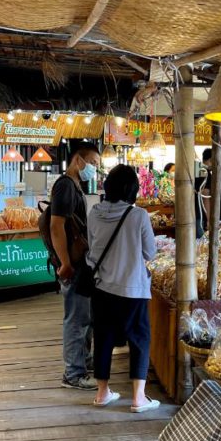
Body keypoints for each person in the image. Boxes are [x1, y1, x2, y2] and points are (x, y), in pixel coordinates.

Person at [86, 164, 158, 413]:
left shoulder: (94, 213)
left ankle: (102, 392)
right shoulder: (138, 216)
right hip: (133, 289)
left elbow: (92, 246)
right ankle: (138, 398)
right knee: (139, 338)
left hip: (102, 287)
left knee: (103, 337)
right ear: (133, 189)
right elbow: (150, 252)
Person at [50, 141, 100, 390]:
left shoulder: (75, 185)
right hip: (73, 264)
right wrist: (65, 263)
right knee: (76, 319)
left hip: (80, 262)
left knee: (85, 317)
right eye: (92, 163)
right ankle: (73, 374)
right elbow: (56, 225)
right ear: (77, 160)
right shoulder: (65, 186)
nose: (94, 168)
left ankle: (83, 363)